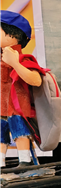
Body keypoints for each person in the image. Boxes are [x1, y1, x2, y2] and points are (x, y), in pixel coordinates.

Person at [0, 11, 46, 167]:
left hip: (17, 108)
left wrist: (15, 63)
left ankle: (25, 161)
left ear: (12, 35)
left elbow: (36, 80)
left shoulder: (23, 59)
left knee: (20, 131)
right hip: (1, 108)